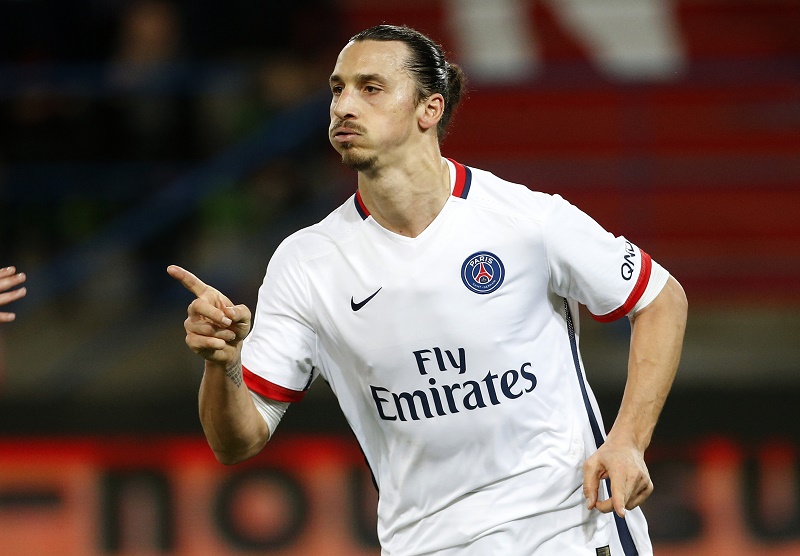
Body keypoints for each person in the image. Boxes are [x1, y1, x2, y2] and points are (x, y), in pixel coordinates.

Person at [169, 24, 687, 556]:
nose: (344, 105)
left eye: (371, 88)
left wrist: (628, 441)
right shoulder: (307, 264)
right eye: (337, 89)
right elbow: (236, 442)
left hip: (571, 535)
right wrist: (223, 364)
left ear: (429, 109)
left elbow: (661, 298)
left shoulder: (526, 220)